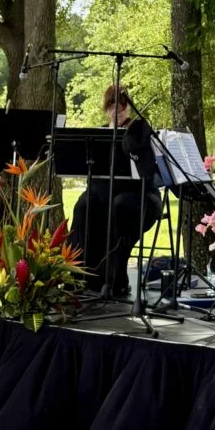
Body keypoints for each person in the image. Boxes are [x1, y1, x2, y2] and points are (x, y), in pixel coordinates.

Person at [69, 84, 163, 296]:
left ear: (129, 108)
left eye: (121, 108)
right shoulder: (99, 134)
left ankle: (114, 277)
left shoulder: (139, 131)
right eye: (112, 108)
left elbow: (148, 173)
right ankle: (80, 275)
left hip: (139, 195)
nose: (116, 112)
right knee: (83, 206)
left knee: (120, 207)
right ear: (106, 110)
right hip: (105, 194)